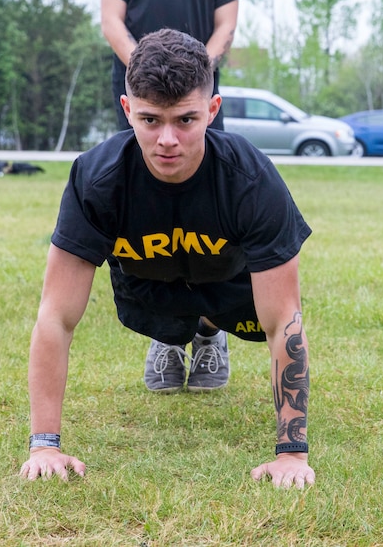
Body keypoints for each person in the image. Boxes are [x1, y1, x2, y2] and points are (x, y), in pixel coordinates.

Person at [19, 29, 313, 489]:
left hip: (230, 285)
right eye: (151, 120)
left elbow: (284, 323)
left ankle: (209, 330)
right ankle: (176, 333)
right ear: (127, 110)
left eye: (186, 120)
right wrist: (44, 445)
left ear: (213, 111)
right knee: (165, 321)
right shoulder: (97, 179)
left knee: (251, 316)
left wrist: (292, 454)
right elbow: (55, 316)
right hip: (147, 284)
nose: (168, 140)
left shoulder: (250, 178)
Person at [95, 0, 255, 394]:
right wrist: (145, 71)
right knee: (144, 223)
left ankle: (211, 332)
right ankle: (165, 334)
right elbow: (111, 20)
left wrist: (191, 79)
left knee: (212, 220)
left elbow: (226, 27)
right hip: (144, 101)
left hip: (195, 102)